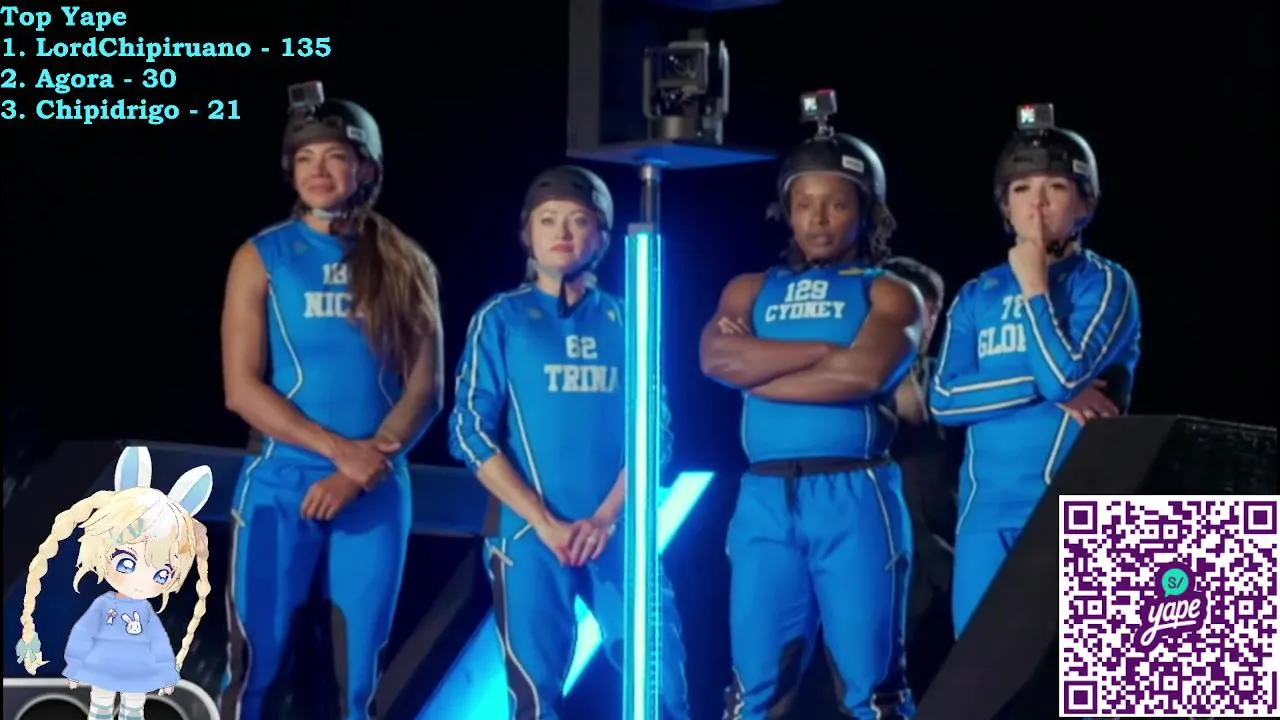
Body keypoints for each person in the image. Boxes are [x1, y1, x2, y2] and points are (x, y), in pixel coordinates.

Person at [219, 83, 444, 720]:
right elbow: (241, 388)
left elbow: (425, 389)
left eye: (336, 157)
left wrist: (361, 469)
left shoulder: (406, 262)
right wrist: (339, 453)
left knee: (358, 680)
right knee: (255, 669)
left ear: (366, 168)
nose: (318, 171)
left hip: (374, 487)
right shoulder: (262, 256)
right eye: (305, 158)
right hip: (281, 480)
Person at [449, 165, 690, 720]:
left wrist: (606, 518)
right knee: (535, 698)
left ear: (602, 236)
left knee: (661, 688)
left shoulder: (628, 318)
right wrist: (544, 521)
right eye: (548, 220)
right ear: (526, 234)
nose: (562, 232)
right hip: (530, 535)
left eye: (578, 221)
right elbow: (469, 429)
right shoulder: (502, 318)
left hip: (617, 534)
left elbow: (656, 434)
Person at [702, 118, 922, 719]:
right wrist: (826, 350)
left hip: (855, 491)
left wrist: (761, 372)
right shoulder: (750, 289)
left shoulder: (890, 291)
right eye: (804, 204)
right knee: (753, 692)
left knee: (873, 690)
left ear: (866, 210)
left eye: (836, 204)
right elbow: (716, 360)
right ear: (787, 211)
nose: (818, 219)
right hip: (765, 498)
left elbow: (865, 375)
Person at [928, 104, 1141, 637]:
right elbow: (945, 400)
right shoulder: (977, 293)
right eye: (1022, 189)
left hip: (1076, 510)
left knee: (1075, 674)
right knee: (980, 670)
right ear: (1005, 205)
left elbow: (1062, 380)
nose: (1038, 204)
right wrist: (1044, 387)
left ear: (1086, 203)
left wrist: (1034, 286)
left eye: (1056, 188)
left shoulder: (1106, 283)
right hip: (984, 515)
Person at [15, 446, 214, 720]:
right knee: (100, 709)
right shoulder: (103, 606)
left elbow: (158, 644)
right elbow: (84, 633)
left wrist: (168, 672)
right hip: (103, 670)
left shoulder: (145, 613)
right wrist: (75, 665)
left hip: (136, 672)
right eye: (126, 563)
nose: (141, 582)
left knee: (133, 711)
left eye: (162, 574)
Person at [880, 256, 958, 696]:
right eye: (912, 310)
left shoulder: (950, 375)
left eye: (932, 312)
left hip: (947, 549)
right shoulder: (854, 377)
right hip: (887, 552)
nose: (924, 325)